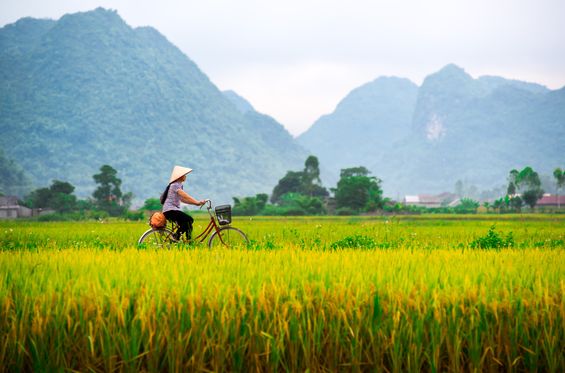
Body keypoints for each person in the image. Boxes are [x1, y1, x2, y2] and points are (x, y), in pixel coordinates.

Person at [161, 165, 205, 240]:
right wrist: (197, 202)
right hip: (170, 211)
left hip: (171, 211)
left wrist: (196, 203)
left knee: (189, 225)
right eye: (184, 175)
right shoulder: (175, 185)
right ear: (180, 176)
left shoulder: (178, 185)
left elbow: (183, 199)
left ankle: (189, 242)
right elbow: (185, 196)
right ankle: (176, 236)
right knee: (189, 220)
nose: (185, 176)